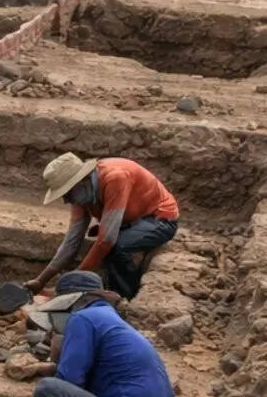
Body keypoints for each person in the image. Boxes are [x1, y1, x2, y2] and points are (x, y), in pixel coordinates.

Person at [26, 153, 179, 300]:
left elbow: (107, 241)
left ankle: (124, 297)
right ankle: (106, 288)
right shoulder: (80, 195)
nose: (66, 201)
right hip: (130, 221)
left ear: (82, 180)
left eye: (67, 194)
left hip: (159, 219)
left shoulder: (115, 178)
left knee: (120, 246)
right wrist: (41, 281)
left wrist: (72, 282)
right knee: (105, 244)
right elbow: (71, 242)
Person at [33, 271, 173, 397]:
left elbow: (70, 379)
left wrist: (57, 351)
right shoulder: (108, 318)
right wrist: (46, 367)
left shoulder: (83, 317)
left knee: (48, 387)